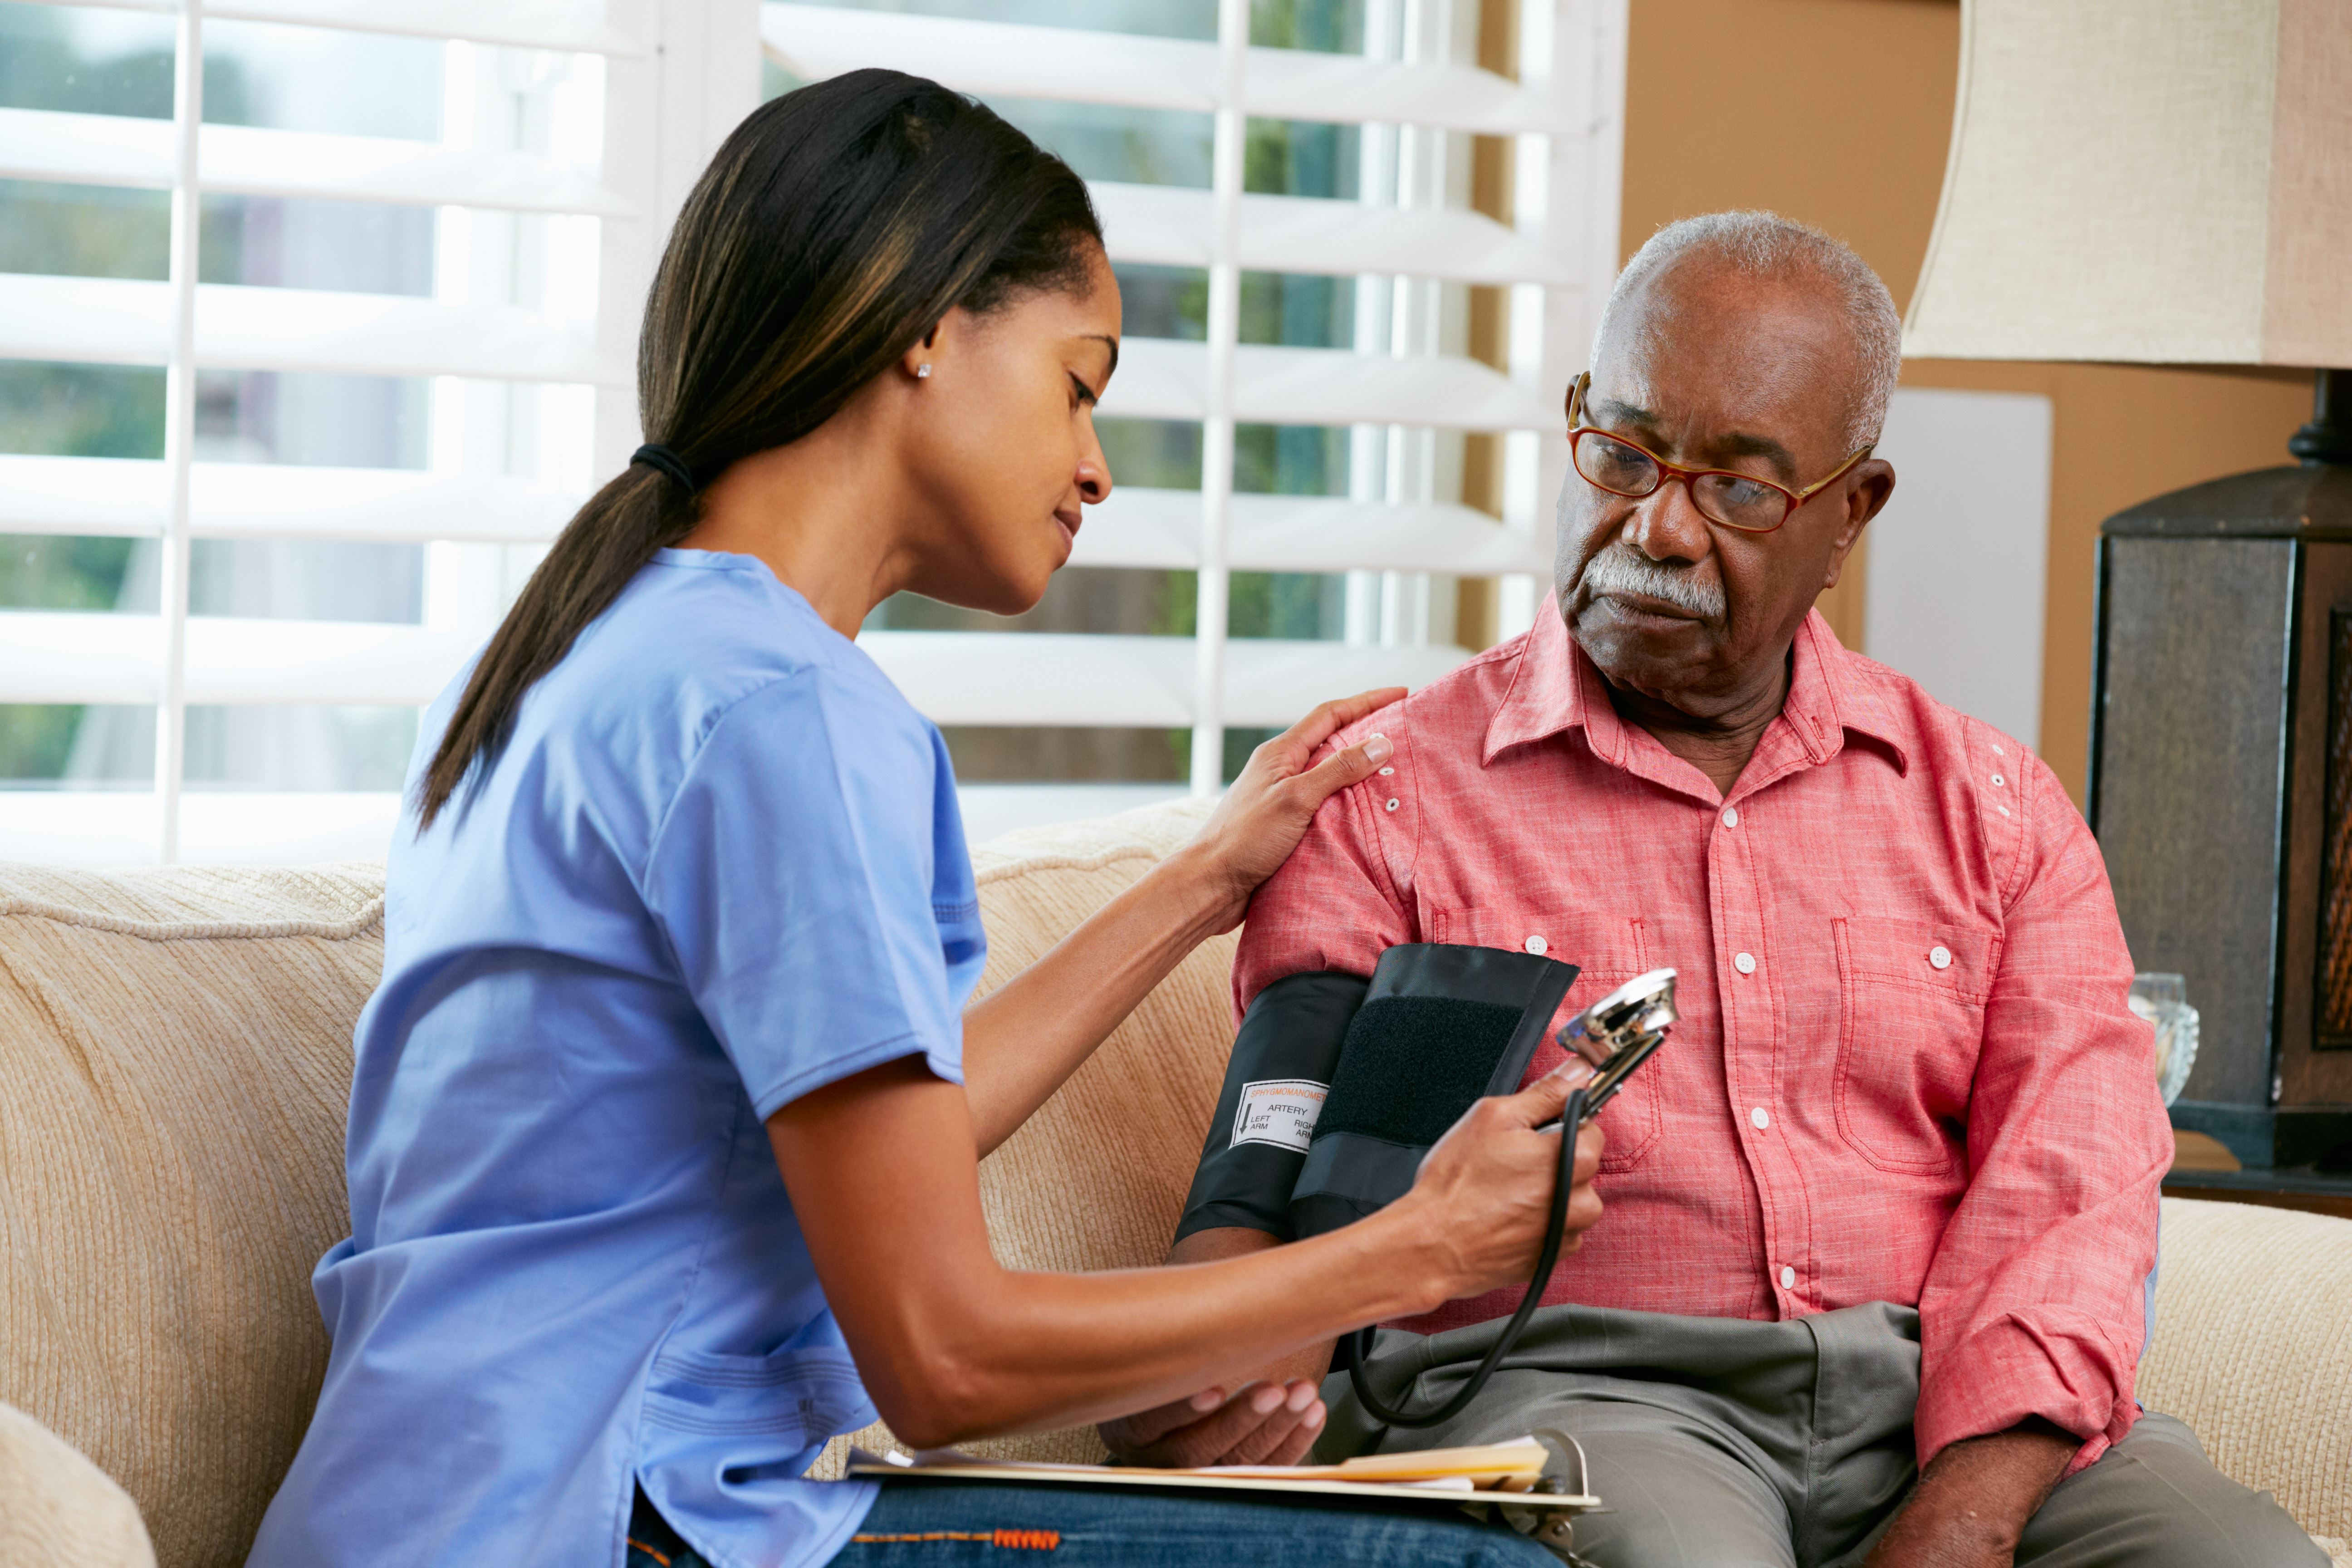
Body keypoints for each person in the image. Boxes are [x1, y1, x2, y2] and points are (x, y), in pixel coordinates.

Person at [244, 71, 1607, 1568]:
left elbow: (894, 1128)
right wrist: (1406, 1252)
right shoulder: (786, 714)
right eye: (1079, 383)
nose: (1096, 464)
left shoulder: (575, 659)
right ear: (927, 324)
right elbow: (942, 1358)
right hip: (619, 1522)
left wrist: (1204, 878)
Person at [1129, 212, 2328, 1567]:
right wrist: (1204, 1364)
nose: (1659, 529)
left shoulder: (1996, 812)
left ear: (1850, 515)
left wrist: (1968, 1515)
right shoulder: (1390, 799)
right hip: (1585, 1398)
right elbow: (1263, 1197)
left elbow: (2073, 1192)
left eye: (1741, 490)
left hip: (1946, 1406)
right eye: (1624, 454)